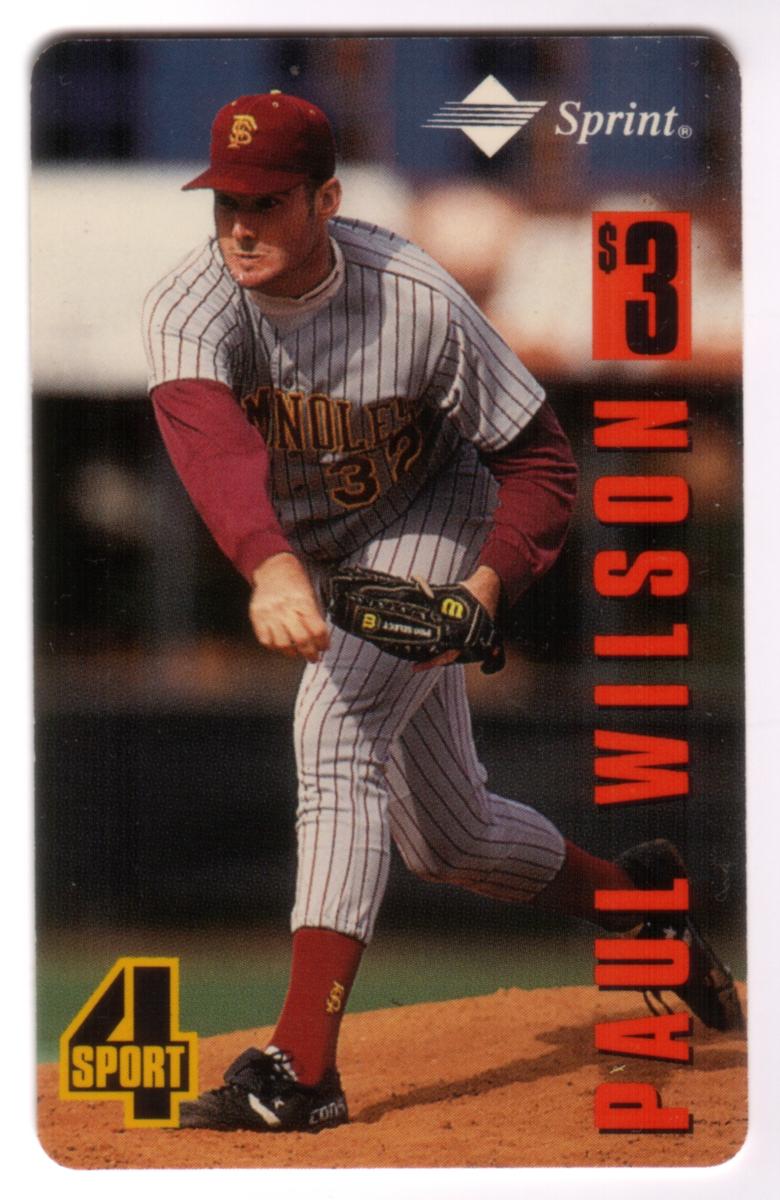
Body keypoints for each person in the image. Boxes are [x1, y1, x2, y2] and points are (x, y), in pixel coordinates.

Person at [142, 92, 742, 1134]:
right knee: (450, 840)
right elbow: (213, 449)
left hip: (433, 517)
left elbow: (541, 461)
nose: (240, 225)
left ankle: (303, 1069)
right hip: (311, 553)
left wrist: (486, 587)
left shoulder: (414, 296)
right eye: (226, 201)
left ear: (326, 199)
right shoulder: (190, 304)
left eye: (268, 202)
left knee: (334, 730)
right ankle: (638, 906)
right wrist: (269, 565)